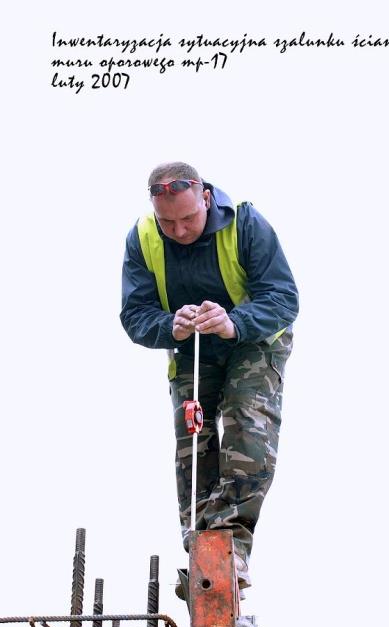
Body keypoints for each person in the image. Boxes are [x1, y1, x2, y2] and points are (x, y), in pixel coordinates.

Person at [120, 162, 298, 595]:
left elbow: (284, 297)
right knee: (193, 447)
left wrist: (233, 321)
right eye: (169, 223)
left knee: (246, 426)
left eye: (188, 219)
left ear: (205, 197)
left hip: (252, 342)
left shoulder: (247, 224)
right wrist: (170, 327)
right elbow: (135, 314)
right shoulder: (142, 238)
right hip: (190, 349)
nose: (179, 231)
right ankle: (202, 547)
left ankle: (230, 547)